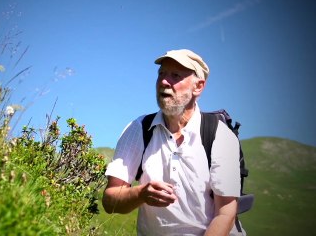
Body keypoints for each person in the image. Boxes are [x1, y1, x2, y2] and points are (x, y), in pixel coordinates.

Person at [102, 49, 244, 236]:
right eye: (161, 74)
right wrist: (141, 193)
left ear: (198, 87)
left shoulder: (220, 135)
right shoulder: (139, 129)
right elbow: (110, 201)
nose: (163, 81)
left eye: (175, 76)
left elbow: (225, 213)